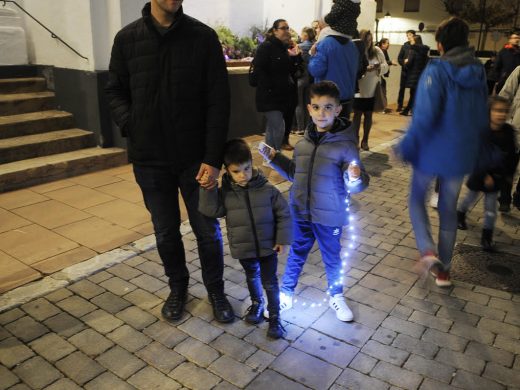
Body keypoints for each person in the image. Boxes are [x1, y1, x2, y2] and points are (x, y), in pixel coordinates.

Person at [105, 0, 235, 323]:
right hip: (150, 160)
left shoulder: (203, 38)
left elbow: (218, 101)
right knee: (165, 232)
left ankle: (216, 291)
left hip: (195, 160)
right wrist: (132, 122)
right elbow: (114, 92)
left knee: (207, 231)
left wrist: (213, 158)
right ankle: (178, 288)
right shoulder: (127, 39)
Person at [259, 81, 370, 321]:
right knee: (296, 253)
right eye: (317, 107)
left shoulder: (345, 145)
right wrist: (275, 159)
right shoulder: (303, 144)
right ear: (309, 109)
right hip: (300, 211)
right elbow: (295, 173)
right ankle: (286, 293)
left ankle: (336, 295)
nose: (322, 113)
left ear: (338, 110)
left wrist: (354, 178)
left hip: (330, 215)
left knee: (332, 256)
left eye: (328, 107)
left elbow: (357, 181)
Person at [394, 17, 489, 287]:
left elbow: (424, 117)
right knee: (448, 209)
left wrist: (405, 146)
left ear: (440, 44)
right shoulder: (479, 72)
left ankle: (427, 250)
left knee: (416, 200)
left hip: (431, 151)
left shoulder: (437, 70)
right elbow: (482, 114)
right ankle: (444, 271)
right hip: (461, 154)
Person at [198, 139, 292, 339]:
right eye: (236, 171)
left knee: (270, 282)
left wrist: (282, 239)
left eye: (247, 168)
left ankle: (274, 317)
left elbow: (284, 213)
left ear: (252, 162)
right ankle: (257, 304)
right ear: (227, 171)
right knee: (251, 276)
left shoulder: (267, 190)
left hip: (268, 248)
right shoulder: (226, 193)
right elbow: (211, 210)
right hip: (245, 248)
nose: (243, 175)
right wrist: (208, 189)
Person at [457, 96, 518, 251]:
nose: (501, 114)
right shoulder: (482, 131)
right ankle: (460, 214)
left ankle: (487, 237)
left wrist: (509, 174)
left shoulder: (509, 131)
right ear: (489, 112)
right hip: (480, 175)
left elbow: (511, 154)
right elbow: (476, 155)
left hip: (497, 177)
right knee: (469, 198)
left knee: (490, 209)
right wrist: (485, 175)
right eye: (497, 110)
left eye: (505, 111)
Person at [253, 19, 302, 153]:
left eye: (288, 28)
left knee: (272, 126)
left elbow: (291, 72)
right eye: (283, 28)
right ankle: (275, 155)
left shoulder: (284, 48)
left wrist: (295, 58)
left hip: (282, 95)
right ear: (275, 31)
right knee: (279, 126)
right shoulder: (266, 47)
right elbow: (259, 70)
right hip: (270, 95)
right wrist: (271, 86)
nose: (287, 31)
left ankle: (268, 157)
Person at [308, 22, 360, 120]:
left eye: (318, 27)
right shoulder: (352, 45)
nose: (317, 30)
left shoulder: (325, 44)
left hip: (327, 98)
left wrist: (313, 56)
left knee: (327, 132)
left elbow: (316, 70)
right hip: (347, 97)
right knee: (342, 129)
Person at [352, 30, 388, 150]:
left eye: (370, 40)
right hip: (359, 86)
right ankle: (355, 139)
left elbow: (386, 66)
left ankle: (365, 140)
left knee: (368, 114)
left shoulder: (377, 51)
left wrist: (377, 67)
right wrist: (363, 68)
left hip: (372, 88)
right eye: (366, 40)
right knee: (357, 115)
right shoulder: (356, 50)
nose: (368, 42)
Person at [498, 65, 520, 211]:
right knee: (508, 166)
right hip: (515, 128)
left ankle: (518, 196)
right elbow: (505, 94)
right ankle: (505, 198)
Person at [400, 35, 430, 116]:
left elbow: (409, 63)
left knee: (413, 94)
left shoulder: (413, 50)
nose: (410, 41)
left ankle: (408, 110)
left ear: (415, 41)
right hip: (421, 75)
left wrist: (406, 62)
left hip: (413, 75)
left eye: (412, 40)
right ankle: (411, 110)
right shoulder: (424, 51)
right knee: (415, 94)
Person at [294, 27, 316, 135]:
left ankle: (300, 128)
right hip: (311, 77)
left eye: (302, 34)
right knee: (308, 103)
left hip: (301, 77)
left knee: (299, 104)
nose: (300, 36)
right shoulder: (315, 46)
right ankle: (308, 127)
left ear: (306, 35)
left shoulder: (299, 46)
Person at [397, 30, 416, 112]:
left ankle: (412, 106)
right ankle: (400, 105)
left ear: (414, 36)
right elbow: (399, 58)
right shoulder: (404, 46)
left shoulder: (417, 46)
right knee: (402, 88)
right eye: (407, 35)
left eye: (410, 35)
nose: (408, 36)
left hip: (413, 71)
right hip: (405, 71)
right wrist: (404, 63)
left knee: (413, 90)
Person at [377, 37, 396, 113]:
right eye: (385, 43)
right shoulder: (380, 51)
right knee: (381, 91)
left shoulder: (384, 51)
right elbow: (382, 63)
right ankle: (381, 108)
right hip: (378, 74)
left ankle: (382, 107)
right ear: (382, 44)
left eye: (388, 43)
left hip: (380, 74)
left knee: (382, 90)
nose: (387, 44)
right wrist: (391, 62)